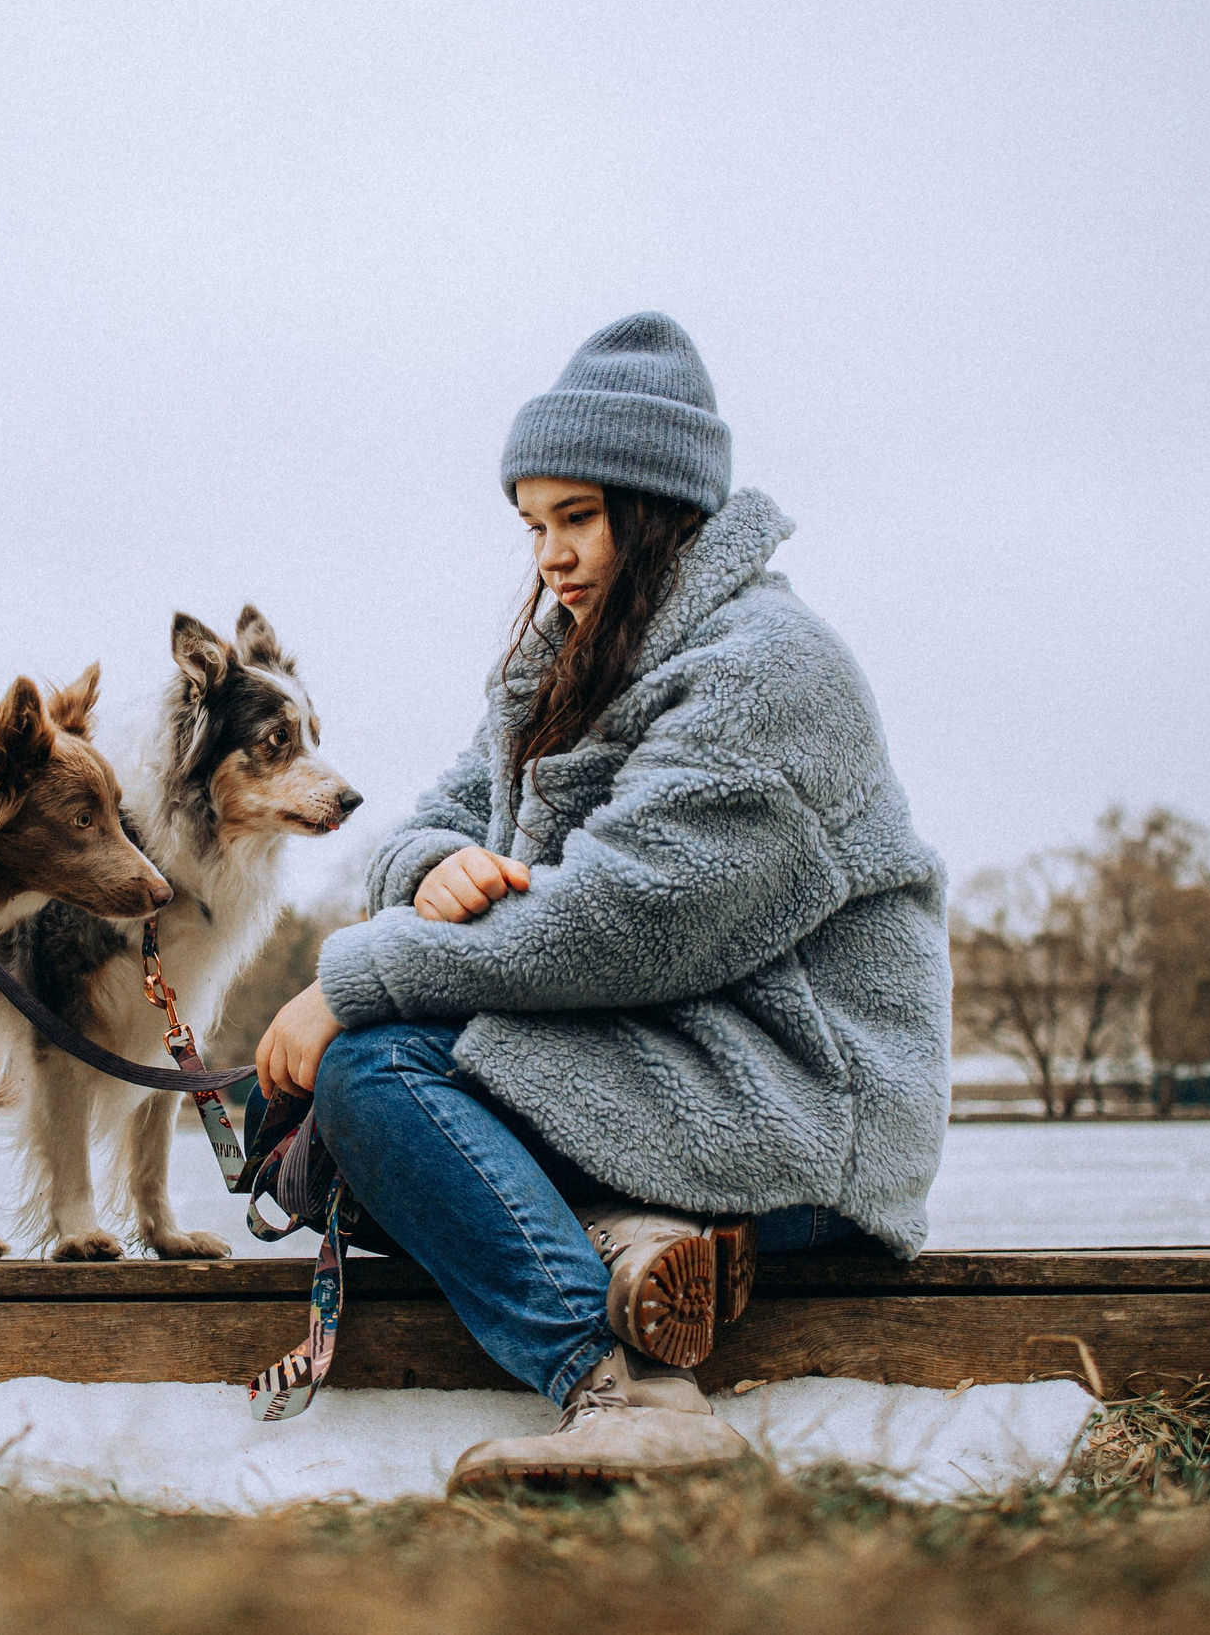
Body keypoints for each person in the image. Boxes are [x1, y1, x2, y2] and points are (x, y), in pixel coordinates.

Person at [253, 311, 951, 1494]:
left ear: (660, 506)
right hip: (655, 1072)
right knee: (328, 1097)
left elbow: (622, 922)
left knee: (371, 1070)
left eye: (576, 517)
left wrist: (357, 976)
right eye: (532, 525)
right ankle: (625, 1239)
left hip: (787, 1111)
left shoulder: (768, 667)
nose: (550, 557)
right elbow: (431, 818)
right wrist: (427, 870)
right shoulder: (559, 663)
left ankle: (632, 1397)